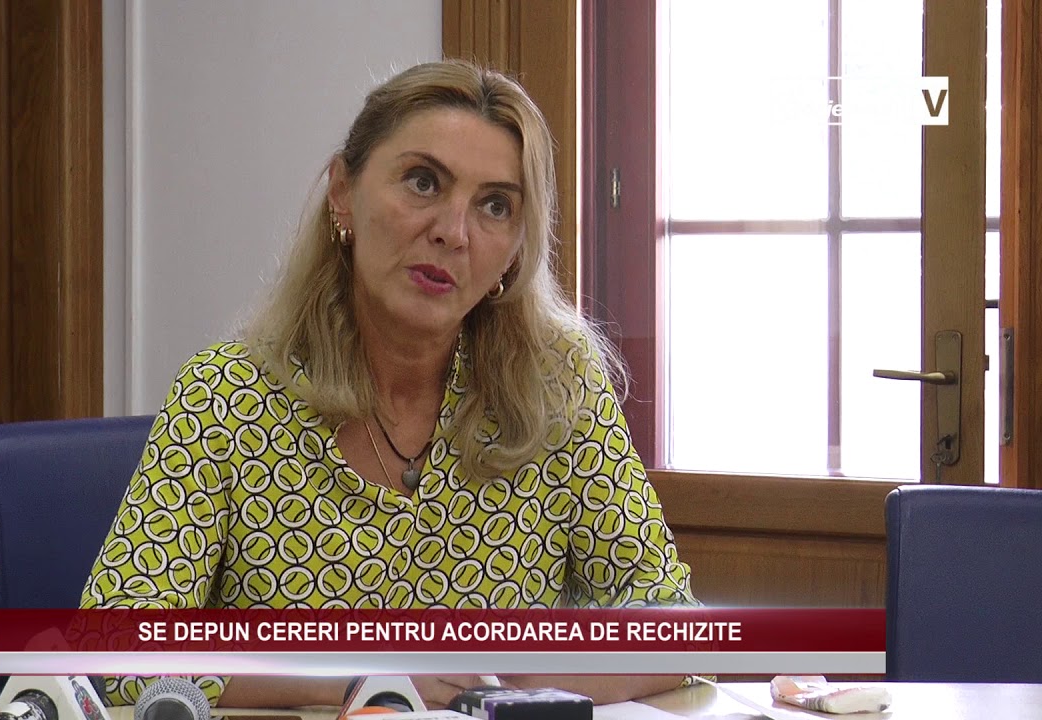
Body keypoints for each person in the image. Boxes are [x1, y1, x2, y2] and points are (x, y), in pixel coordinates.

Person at [80, 59, 700, 709]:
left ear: (516, 250)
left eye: (495, 206)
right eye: (423, 182)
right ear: (342, 194)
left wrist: (510, 680)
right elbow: (113, 647)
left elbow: (676, 621)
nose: (453, 232)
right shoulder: (227, 396)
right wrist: (366, 680)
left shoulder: (557, 391)